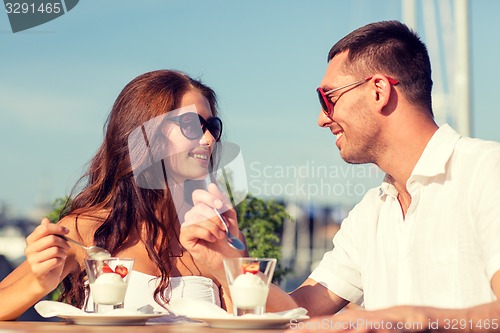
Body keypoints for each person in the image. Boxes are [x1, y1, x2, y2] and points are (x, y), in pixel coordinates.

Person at [180, 21, 500, 332]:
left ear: (378, 91)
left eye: (328, 98)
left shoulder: (487, 171)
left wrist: (411, 319)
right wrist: (230, 261)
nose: (322, 118)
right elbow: (297, 315)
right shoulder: (371, 211)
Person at [0, 69, 246, 320]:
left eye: (212, 127)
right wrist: (39, 284)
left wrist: (229, 274)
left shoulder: (217, 232)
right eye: (191, 125)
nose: (208, 139)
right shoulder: (87, 229)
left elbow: (252, 320)